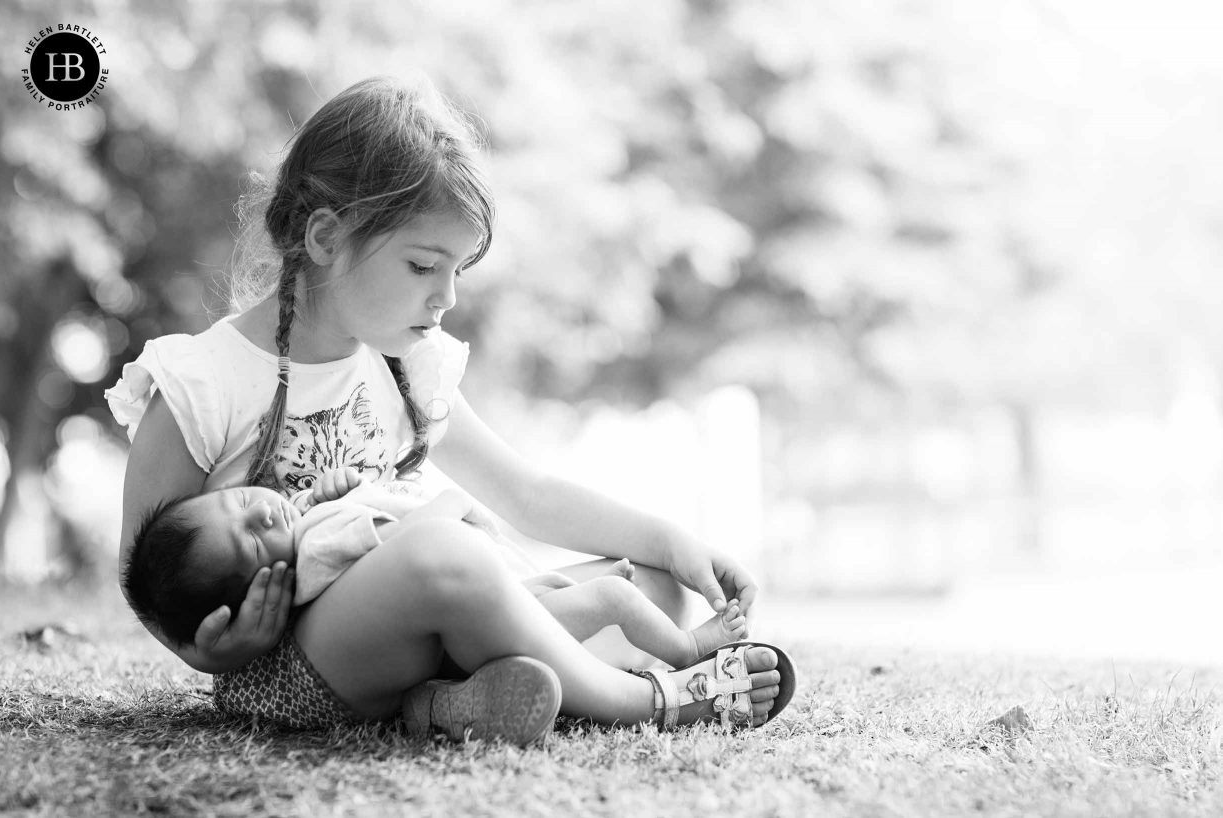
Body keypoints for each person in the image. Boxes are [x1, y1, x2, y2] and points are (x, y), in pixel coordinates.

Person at [106, 74, 796, 746]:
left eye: (456, 271)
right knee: (442, 554)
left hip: (436, 618)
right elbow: (152, 582)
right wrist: (217, 654)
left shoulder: (407, 364)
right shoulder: (201, 381)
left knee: (653, 587)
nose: (446, 298)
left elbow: (528, 493)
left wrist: (675, 545)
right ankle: (644, 698)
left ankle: (443, 705)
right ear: (324, 239)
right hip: (303, 667)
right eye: (422, 266)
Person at [125, 467, 751, 671]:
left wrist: (343, 492)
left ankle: (473, 699)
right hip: (496, 598)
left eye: (239, 503)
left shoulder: (309, 533)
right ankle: (690, 653)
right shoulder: (315, 548)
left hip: (496, 599)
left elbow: (362, 533)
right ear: (267, 584)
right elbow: (416, 537)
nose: (262, 519)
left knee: (648, 583)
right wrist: (450, 503)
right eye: (255, 550)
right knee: (617, 596)